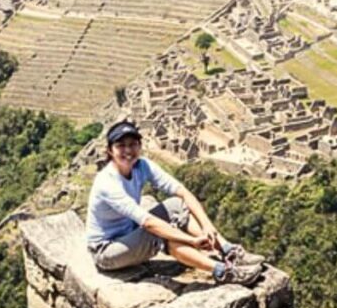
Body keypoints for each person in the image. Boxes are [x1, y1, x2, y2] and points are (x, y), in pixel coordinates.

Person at [86, 120, 265, 285]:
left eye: (133, 144)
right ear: (110, 150)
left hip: (129, 233)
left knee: (176, 205)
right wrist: (192, 240)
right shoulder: (107, 182)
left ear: (140, 146)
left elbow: (182, 192)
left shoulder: (142, 166)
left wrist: (208, 226)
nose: (128, 150)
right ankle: (222, 271)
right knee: (160, 234)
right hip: (106, 251)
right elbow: (148, 223)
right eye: (121, 145)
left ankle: (228, 250)